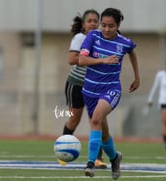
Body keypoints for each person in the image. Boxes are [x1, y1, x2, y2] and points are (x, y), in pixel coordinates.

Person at [79, 8, 140, 179]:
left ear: (118, 25)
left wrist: (137, 77)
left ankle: (91, 164)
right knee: (103, 132)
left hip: (111, 89)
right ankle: (114, 158)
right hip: (90, 91)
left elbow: (132, 52)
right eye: (103, 25)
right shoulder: (92, 36)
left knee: (96, 119)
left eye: (111, 26)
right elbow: (81, 60)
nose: (106, 29)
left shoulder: (124, 42)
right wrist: (102, 60)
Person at [62, 9, 107, 168]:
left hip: (94, 86)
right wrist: (96, 60)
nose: (93, 24)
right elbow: (72, 59)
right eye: (90, 21)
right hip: (77, 84)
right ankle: (63, 151)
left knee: (96, 120)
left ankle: (97, 158)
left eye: (96, 21)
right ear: (83, 24)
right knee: (74, 120)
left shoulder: (103, 39)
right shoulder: (80, 38)